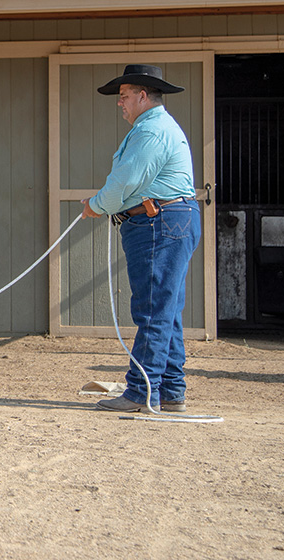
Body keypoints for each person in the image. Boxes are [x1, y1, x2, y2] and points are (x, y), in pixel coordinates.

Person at [81, 64, 201, 413]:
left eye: (124, 97)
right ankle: (169, 389)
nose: (120, 103)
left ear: (142, 96)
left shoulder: (151, 131)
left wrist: (96, 206)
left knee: (153, 308)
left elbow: (126, 181)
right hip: (168, 219)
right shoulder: (156, 128)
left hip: (157, 222)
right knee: (166, 309)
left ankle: (140, 392)